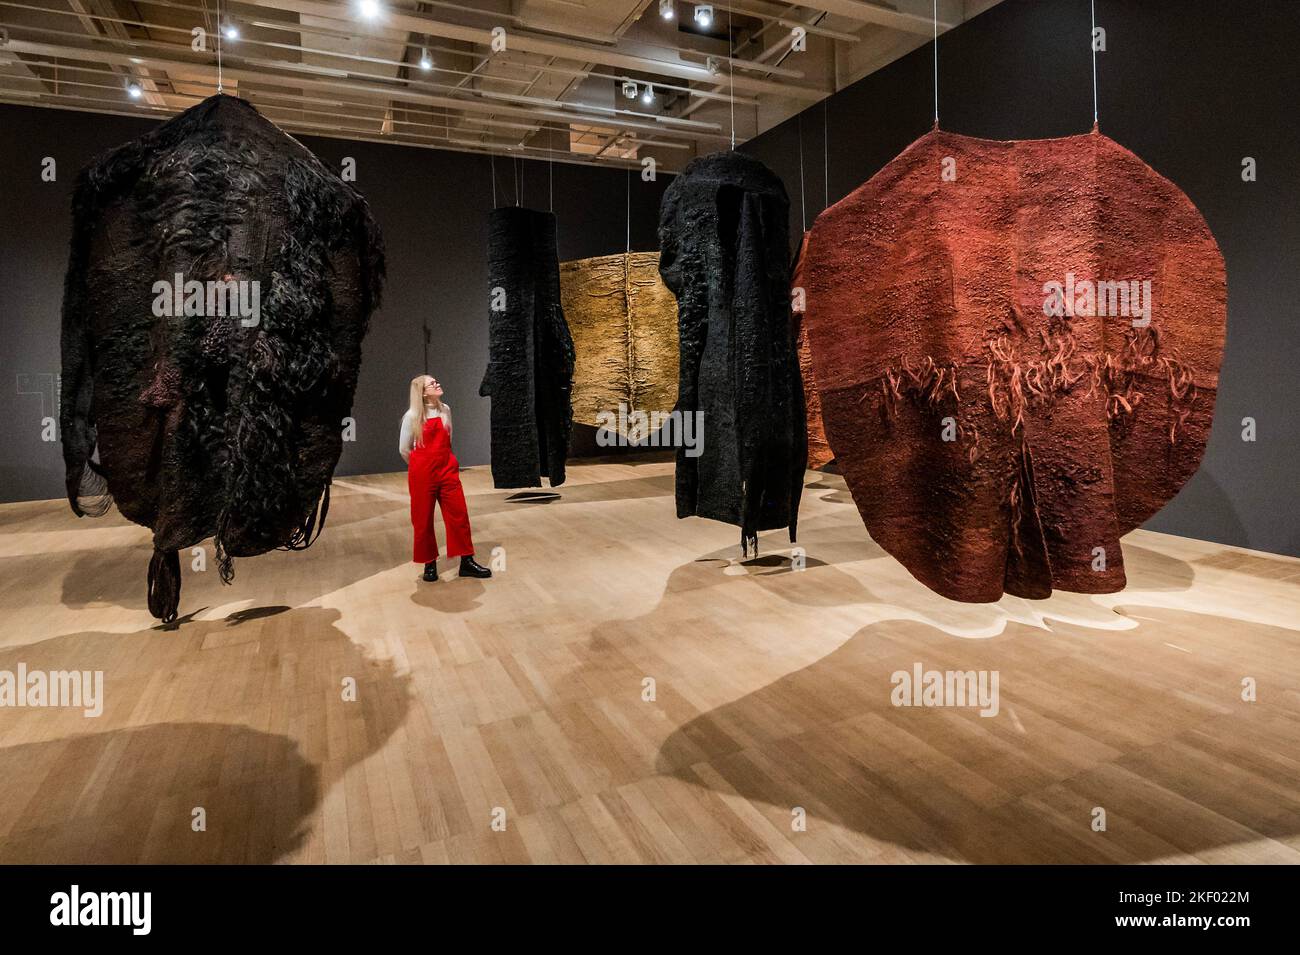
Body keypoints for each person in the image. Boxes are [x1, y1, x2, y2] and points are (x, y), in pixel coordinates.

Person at [400, 375, 492, 582]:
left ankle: (467, 561)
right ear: (423, 392)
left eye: (436, 381)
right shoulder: (412, 416)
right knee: (422, 519)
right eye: (432, 384)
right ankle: (429, 563)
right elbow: (404, 449)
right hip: (423, 472)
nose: (437, 384)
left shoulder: (446, 410)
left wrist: (445, 462)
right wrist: (421, 466)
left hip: (446, 468)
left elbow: (448, 439)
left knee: (459, 514)